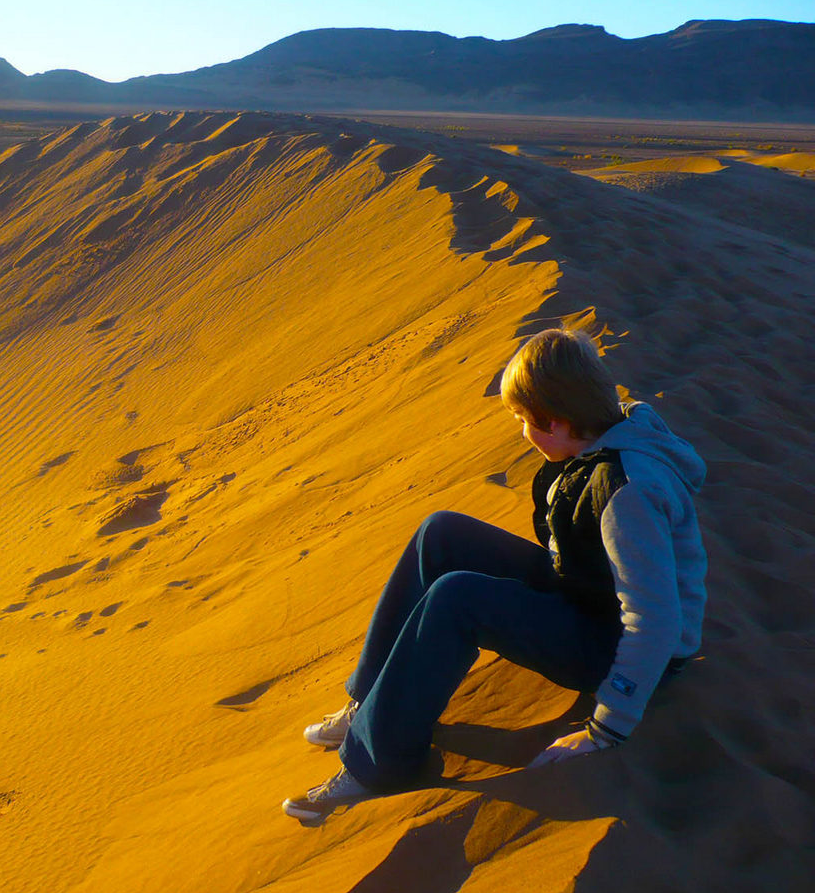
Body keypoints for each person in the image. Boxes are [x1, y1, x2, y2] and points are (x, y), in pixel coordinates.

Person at [283, 328, 707, 826]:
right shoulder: (606, 434)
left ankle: (378, 765)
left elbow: (654, 620)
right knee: (441, 534)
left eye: (521, 420)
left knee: (457, 598)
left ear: (556, 422)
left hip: (625, 653)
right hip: (587, 594)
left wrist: (605, 728)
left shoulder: (626, 493)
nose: (519, 429)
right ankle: (371, 702)